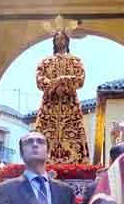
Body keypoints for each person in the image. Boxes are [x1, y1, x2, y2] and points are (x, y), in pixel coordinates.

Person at [34, 24, 91, 164]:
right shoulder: (45, 62)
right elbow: (39, 80)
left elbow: (80, 79)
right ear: (54, 42)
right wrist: (53, 85)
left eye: (62, 38)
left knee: (73, 134)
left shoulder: (75, 61)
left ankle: (75, 161)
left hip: (69, 105)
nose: (60, 41)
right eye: (57, 38)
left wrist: (62, 81)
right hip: (49, 105)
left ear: (67, 41)